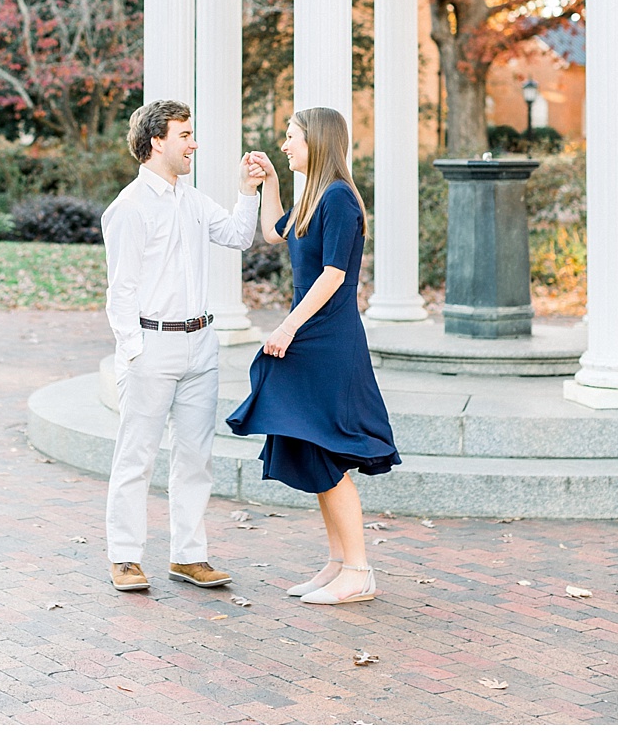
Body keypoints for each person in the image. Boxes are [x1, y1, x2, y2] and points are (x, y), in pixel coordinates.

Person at [226, 107, 399, 605]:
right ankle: (338, 562)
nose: (284, 144)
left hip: (329, 340)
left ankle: (360, 570)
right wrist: (270, 185)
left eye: (291, 138)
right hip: (310, 336)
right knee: (314, 447)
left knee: (329, 449)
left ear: (317, 142)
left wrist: (287, 325)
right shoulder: (315, 198)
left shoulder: (341, 199)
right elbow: (276, 233)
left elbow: (333, 276)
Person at [102, 99, 266, 593]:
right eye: (185, 134)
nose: (194, 143)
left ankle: (188, 556)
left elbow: (240, 236)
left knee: (196, 458)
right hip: (152, 346)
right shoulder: (128, 208)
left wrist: (247, 192)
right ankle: (125, 557)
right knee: (138, 456)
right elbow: (120, 291)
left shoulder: (192, 200)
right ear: (156, 141)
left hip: (201, 346)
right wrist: (134, 351)